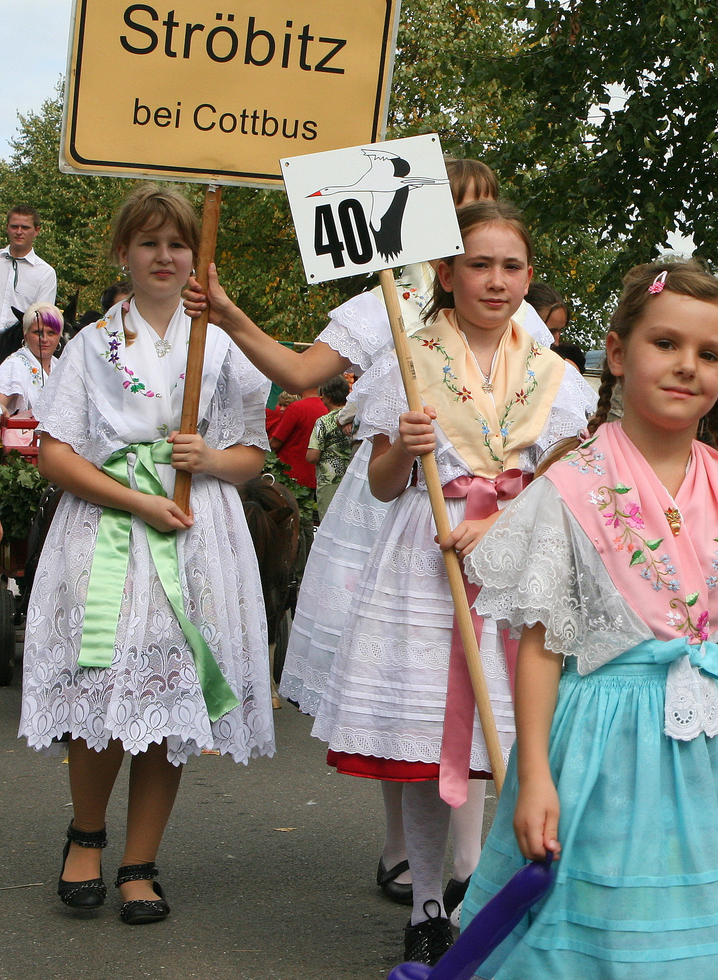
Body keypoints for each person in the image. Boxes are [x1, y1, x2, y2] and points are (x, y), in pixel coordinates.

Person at [457, 260, 718, 980]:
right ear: (617, 354)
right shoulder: (573, 483)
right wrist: (532, 780)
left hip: (708, 755)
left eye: (708, 354)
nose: (687, 367)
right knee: (592, 943)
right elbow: (542, 649)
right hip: (599, 753)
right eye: (665, 345)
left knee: (682, 951)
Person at [183, 163, 553, 912]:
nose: (474, 235)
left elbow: (546, 416)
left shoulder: (525, 323)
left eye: (484, 214)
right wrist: (228, 315)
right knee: (408, 681)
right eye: (456, 214)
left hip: (495, 509)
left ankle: (469, 860)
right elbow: (297, 370)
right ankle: (402, 850)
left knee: (484, 673)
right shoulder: (386, 297)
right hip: (401, 493)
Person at [310, 200, 595, 965]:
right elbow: (378, 485)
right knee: (424, 736)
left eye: (510, 266)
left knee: (516, 734)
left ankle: (496, 887)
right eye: (478, 264)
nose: (495, 281)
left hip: (519, 558)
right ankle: (429, 900)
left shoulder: (554, 376)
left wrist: (502, 523)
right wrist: (403, 450)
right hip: (426, 554)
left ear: (529, 277)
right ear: (446, 272)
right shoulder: (407, 360)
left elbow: (567, 483)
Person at [18, 185, 274, 925]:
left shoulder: (221, 344)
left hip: (197, 532)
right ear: (122, 253)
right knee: (105, 684)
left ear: (196, 254)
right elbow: (55, 456)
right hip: (109, 528)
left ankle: (140, 860)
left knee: (170, 696)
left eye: (177, 243)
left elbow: (252, 454)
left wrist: (210, 458)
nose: (164, 256)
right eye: (148, 243)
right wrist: (134, 498)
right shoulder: (91, 344)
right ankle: (86, 834)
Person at [0, 302, 63, 418]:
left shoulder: (60, 366)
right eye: (38, 332)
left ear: (59, 336)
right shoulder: (14, 364)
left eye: (51, 333)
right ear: (26, 335)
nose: (44, 339)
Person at [0, 205, 57, 328]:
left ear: (36, 230)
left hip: (17, 342)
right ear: (7, 228)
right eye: (14, 226)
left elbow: (41, 318)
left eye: (25, 227)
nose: (19, 232)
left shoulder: (45, 273)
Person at [306, 374, 354, 519]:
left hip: (330, 480)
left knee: (329, 521)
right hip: (352, 477)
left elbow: (313, 456)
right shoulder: (355, 418)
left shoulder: (323, 422)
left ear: (327, 396)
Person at [269, 384, 327, 489]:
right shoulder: (325, 408)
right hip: (314, 476)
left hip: (289, 476)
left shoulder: (296, 408)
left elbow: (274, 444)